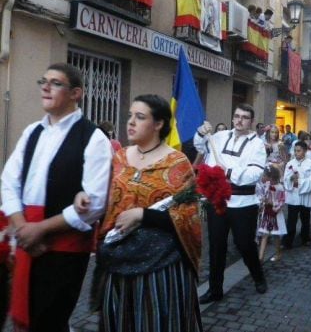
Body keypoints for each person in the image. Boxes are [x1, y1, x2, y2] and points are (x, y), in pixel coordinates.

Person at [0, 63, 112, 332]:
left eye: (56, 83)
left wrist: (40, 230)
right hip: (26, 239)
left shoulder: (93, 137)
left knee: (49, 319)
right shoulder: (32, 132)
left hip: (64, 249)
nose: (46, 87)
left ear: (76, 93)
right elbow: (9, 182)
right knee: (23, 318)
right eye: (44, 81)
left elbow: (95, 203)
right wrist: (22, 226)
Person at [96, 94, 202, 331]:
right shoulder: (120, 157)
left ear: (159, 124)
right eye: (130, 116)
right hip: (119, 263)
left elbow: (190, 215)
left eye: (140, 117)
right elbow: (106, 200)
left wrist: (143, 215)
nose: (130, 122)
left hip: (161, 269)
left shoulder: (177, 162)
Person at [194, 104, 267, 304]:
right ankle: (215, 289)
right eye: (237, 116)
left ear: (251, 121)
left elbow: (255, 173)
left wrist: (227, 172)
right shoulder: (219, 136)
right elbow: (200, 147)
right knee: (216, 247)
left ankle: (258, 276)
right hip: (217, 200)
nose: (239, 120)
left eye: (245, 117)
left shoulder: (257, 144)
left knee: (245, 245)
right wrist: (201, 133)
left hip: (244, 203)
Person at [283, 141, 311, 249]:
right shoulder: (290, 163)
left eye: (299, 151)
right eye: (295, 151)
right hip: (293, 195)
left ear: (305, 151)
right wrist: (291, 178)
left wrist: (300, 181)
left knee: (305, 218)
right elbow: (286, 178)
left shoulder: (310, 164)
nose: (296, 153)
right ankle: (288, 241)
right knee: (291, 219)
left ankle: (305, 237)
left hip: (304, 195)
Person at [257, 165, 286, 262]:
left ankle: (278, 253)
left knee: (275, 235)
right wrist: (263, 200)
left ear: (271, 177)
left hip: (275, 213)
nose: (263, 177)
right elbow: (262, 194)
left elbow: (282, 201)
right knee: (265, 234)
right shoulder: (267, 185)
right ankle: (260, 257)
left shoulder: (280, 188)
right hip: (267, 212)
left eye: (265, 176)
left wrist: (273, 203)